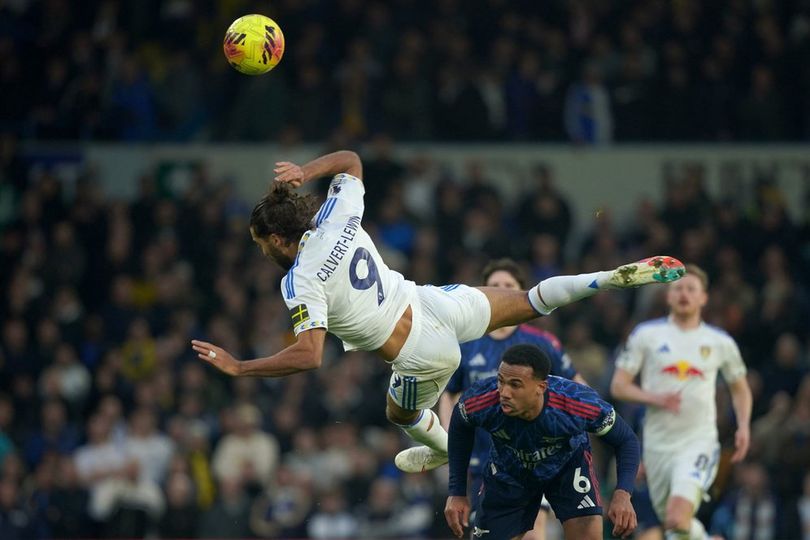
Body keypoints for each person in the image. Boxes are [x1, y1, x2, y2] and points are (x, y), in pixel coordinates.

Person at [190, 150, 684, 473]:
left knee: (398, 410)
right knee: (530, 299)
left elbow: (310, 355)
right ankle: (604, 277)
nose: (263, 254)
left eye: (262, 246)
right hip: (433, 301)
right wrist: (304, 172)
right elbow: (352, 162)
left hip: (418, 352)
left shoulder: (298, 280)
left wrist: (241, 367)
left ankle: (448, 450)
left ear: (278, 240)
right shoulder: (334, 214)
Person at [438, 258, 586, 540]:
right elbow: (450, 393)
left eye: (509, 286)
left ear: (521, 293)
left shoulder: (541, 342)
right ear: (482, 294)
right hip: (483, 459)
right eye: (494, 286)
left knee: (532, 533)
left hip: (535, 455)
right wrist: (448, 435)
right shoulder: (466, 344)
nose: (501, 291)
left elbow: (578, 387)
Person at [610, 264, 752, 540]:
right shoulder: (646, 335)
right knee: (676, 527)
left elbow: (740, 388)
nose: (684, 293)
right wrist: (655, 398)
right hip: (657, 445)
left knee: (676, 515)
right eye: (678, 288)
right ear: (668, 296)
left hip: (698, 441)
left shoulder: (719, 341)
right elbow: (619, 385)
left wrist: (744, 426)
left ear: (703, 298)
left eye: (691, 288)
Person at [444, 344, 639, 540]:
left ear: (541, 387)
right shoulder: (483, 399)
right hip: (508, 472)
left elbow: (626, 439)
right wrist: (457, 491)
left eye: (515, 384)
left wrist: (623, 494)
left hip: (566, 468)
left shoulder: (577, 403)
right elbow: (460, 426)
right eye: (501, 381)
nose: (504, 392)